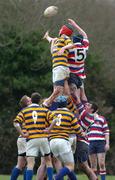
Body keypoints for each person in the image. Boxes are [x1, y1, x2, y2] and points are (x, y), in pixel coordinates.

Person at [13, 92, 58, 180]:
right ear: (40, 100)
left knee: (30, 164)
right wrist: (49, 129)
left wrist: (22, 134)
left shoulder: (24, 111)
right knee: (48, 161)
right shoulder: (44, 110)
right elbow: (55, 119)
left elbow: (16, 123)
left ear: (31, 100)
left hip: (31, 139)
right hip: (43, 138)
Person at [44, 95, 85, 180]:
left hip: (52, 142)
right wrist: (83, 134)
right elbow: (77, 129)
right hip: (63, 141)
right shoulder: (70, 114)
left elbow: (46, 126)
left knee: (68, 166)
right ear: (66, 104)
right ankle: (56, 178)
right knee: (70, 166)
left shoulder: (51, 113)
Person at [70, 84, 98, 180]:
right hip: (78, 141)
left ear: (92, 110)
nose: (86, 104)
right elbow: (83, 100)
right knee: (72, 166)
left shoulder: (86, 115)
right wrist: (82, 88)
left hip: (81, 142)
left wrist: (74, 92)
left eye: (88, 105)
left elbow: (78, 101)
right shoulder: (86, 114)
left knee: (84, 167)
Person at [43, 22, 75, 107]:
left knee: (62, 92)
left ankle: (48, 103)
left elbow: (71, 45)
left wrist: (64, 48)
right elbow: (51, 40)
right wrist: (47, 36)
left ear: (63, 31)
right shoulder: (56, 40)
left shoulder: (65, 37)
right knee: (62, 93)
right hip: (58, 68)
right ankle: (52, 105)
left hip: (61, 67)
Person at [67, 19, 89, 101]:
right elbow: (84, 35)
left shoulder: (71, 49)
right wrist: (75, 25)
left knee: (73, 95)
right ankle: (85, 107)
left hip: (72, 75)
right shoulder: (85, 47)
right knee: (82, 94)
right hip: (81, 75)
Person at [10, 95, 31, 180]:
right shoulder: (27, 111)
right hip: (25, 138)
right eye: (30, 99)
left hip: (21, 139)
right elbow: (16, 123)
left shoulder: (24, 111)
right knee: (29, 163)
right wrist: (23, 133)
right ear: (27, 102)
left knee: (20, 164)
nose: (31, 100)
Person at [87, 113, 110, 180]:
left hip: (100, 142)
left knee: (102, 164)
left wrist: (107, 143)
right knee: (93, 166)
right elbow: (84, 130)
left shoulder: (102, 118)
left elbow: (106, 131)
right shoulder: (87, 119)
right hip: (90, 143)